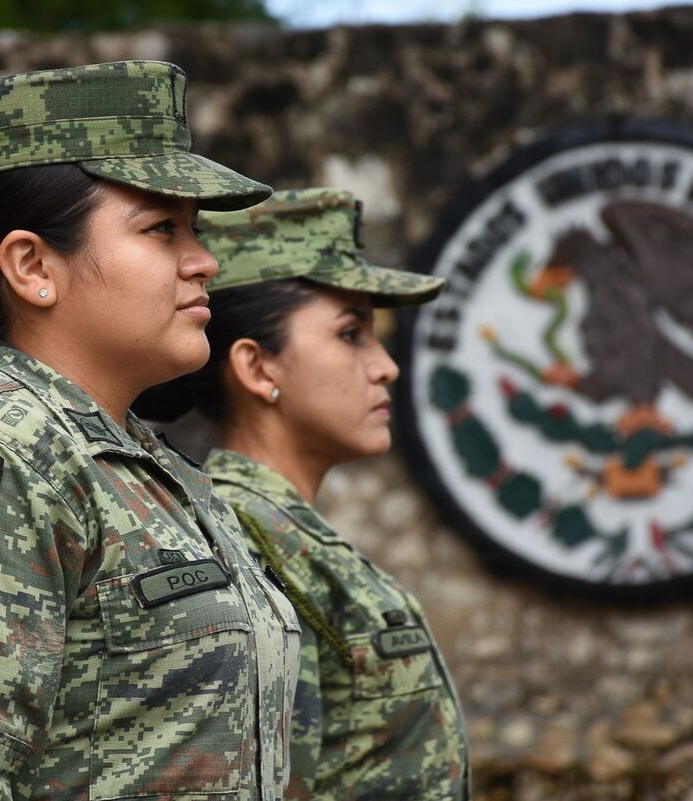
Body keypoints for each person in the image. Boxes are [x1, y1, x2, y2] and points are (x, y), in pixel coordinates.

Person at [0, 61, 300, 800]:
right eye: (162, 228)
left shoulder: (144, 465)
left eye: (194, 229)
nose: (204, 261)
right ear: (33, 265)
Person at [139, 188, 469, 800]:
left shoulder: (282, 533)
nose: (385, 365)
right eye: (351, 334)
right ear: (259, 368)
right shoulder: (244, 541)